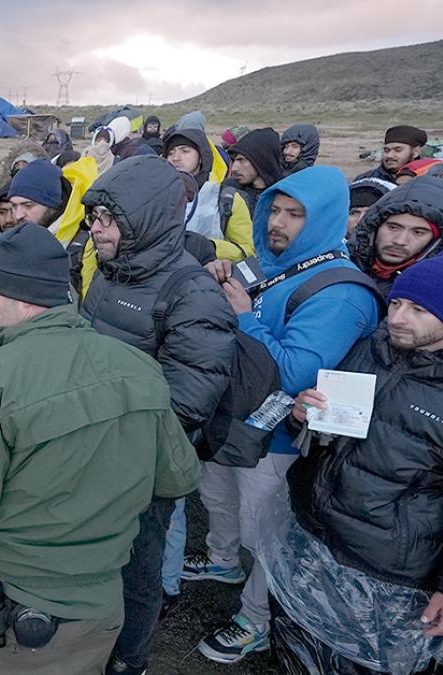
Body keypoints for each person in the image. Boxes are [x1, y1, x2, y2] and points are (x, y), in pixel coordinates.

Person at [0, 222, 201, 674]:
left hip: (5, 622)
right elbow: (178, 477)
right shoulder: (138, 368)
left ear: (23, 298)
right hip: (97, 612)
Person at [190, 165, 381, 664]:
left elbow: (296, 374)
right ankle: (221, 560)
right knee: (217, 497)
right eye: (274, 208)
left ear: (326, 221)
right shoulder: (278, 262)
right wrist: (226, 278)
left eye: (295, 215)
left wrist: (244, 316)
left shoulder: (342, 293)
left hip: (276, 438)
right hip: (231, 417)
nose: (278, 222)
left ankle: (256, 618)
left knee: (267, 537)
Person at [78, 155, 237, 675]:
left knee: (138, 571)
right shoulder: (111, 272)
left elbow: (186, 404)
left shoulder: (193, 295)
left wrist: (113, 448)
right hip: (95, 450)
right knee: (96, 562)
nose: (95, 230)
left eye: (107, 220)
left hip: (143, 469)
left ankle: (130, 660)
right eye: (93, 217)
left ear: (143, 220)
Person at [263, 256, 443, 674]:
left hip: (390, 570)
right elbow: (326, 433)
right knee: (296, 648)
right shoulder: (370, 348)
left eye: (418, 310)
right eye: (396, 303)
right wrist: (302, 414)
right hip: (311, 535)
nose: (398, 318)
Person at [163, 127, 256, 261]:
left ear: (201, 156)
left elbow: (247, 250)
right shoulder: (155, 195)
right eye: (171, 153)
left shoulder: (226, 198)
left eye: (185, 151)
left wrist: (210, 247)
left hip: (210, 278)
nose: (176, 158)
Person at [349, 176, 443, 298]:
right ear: (374, 227)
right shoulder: (341, 263)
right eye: (393, 227)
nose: (400, 241)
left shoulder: (435, 289)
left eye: (418, 232)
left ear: (435, 241)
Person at [225, 127, 283, 213]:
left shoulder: (285, 194)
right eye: (234, 160)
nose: (234, 168)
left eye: (242, 160)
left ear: (261, 161)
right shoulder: (228, 191)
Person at [6, 159, 67, 234]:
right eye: (14, 206)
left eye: (28, 206)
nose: (18, 215)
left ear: (53, 206)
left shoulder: (78, 240)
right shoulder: (13, 240)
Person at [354, 124, 430, 183]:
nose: (389, 155)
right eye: (386, 150)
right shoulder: (365, 180)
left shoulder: (430, 178)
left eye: (398, 150)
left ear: (416, 152)